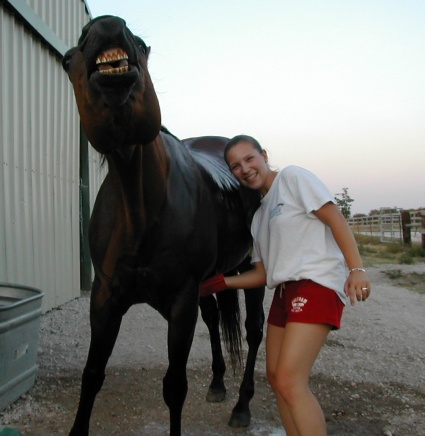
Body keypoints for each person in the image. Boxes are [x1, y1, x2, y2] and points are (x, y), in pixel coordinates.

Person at [200, 134, 371, 436]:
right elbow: (264, 274)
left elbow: (335, 218)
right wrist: (222, 282)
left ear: (263, 155)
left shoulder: (292, 178)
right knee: (277, 377)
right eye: (236, 166)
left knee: (291, 380)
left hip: (315, 284)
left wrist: (356, 268)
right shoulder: (260, 216)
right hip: (283, 292)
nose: (245, 169)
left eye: (249, 159)